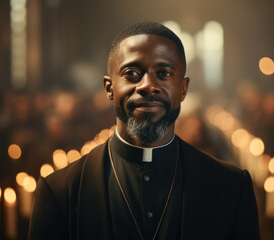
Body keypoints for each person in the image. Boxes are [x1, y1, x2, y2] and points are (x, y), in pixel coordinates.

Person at [29, 21, 260, 240]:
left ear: (183, 88)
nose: (148, 85)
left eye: (164, 74)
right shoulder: (59, 192)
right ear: (109, 88)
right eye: (131, 73)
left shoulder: (231, 187)